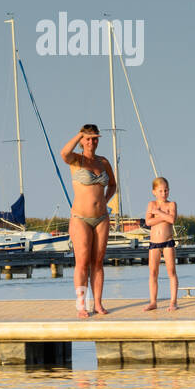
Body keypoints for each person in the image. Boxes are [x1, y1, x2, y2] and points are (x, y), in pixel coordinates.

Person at [61, 125, 117, 318]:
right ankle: (81, 304)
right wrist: (79, 135)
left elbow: (112, 184)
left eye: (95, 138)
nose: (92, 142)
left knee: (98, 262)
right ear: (82, 140)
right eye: (88, 138)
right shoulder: (76, 160)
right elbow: (64, 152)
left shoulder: (103, 161)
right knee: (83, 262)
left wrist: (105, 200)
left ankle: (98, 304)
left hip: (101, 217)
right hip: (80, 218)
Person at [144, 176, 179, 311]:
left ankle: (173, 301)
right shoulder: (151, 204)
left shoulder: (171, 205)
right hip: (154, 243)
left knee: (171, 271)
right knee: (153, 272)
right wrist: (163, 216)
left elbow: (172, 220)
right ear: (154, 191)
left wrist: (158, 213)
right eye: (160, 191)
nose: (163, 194)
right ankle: (153, 301)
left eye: (166, 191)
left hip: (167, 242)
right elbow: (148, 222)